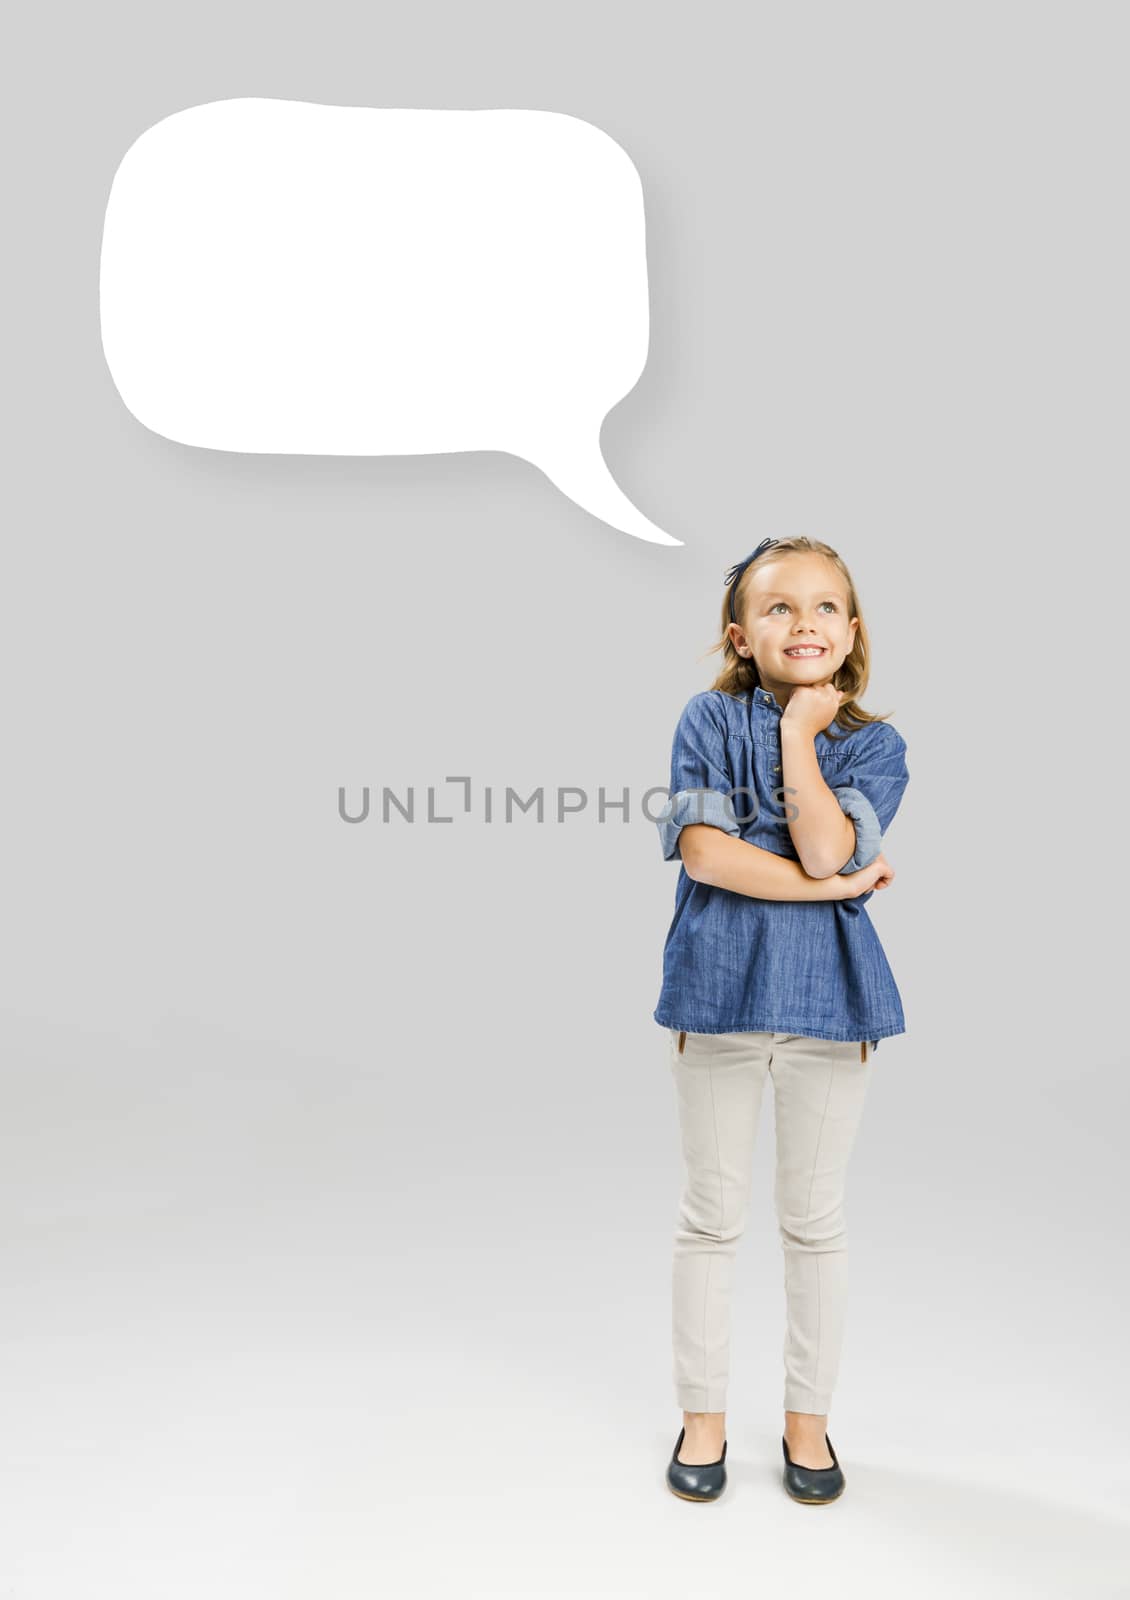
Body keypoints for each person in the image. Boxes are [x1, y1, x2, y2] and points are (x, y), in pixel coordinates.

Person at [654, 536, 910, 1506]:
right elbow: (707, 856)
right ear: (738, 633)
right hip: (715, 997)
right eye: (776, 608)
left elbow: (815, 842)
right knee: (709, 1216)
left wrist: (800, 740)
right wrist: (837, 883)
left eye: (822, 607)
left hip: (828, 1005)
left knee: (812, 1222)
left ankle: (808, 1421)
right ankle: (702, 1415)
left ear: (849, 632)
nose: (801, 623)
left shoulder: (872, 746)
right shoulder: (708, 719)